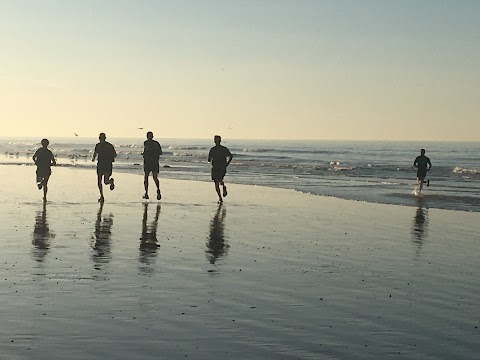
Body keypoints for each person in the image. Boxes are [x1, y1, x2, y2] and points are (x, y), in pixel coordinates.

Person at [92, 133, 117, 203]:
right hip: (106, 165)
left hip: (103, 164)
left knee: (101, 181)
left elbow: (95, 153)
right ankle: (102, 194)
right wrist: (111, 158)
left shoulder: (99, 145)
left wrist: (93, 158)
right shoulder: (109, 145)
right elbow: (115, 154)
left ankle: (102, 194)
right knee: (103, 181)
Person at [208, 135, 233, 203]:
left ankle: (220, 197)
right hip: (223, 167)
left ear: (214, 141)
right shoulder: (224, 149)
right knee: (220, 179)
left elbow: (209, 159)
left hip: (215, 167)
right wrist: (227, 164)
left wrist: (211, 158)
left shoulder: (213, 149)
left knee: (216, 182)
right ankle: (223, 186)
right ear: (220, 140)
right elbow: (231, 156)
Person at [142, 131, 162, 200]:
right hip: (154, 163)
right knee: (155, 177)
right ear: (152, 136)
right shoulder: (156, 143)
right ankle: (158, 189)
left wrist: (145, 155)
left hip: (148, 163)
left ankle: (146, 193)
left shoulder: (146, 143)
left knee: (146, 178)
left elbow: (145, 152)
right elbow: (160, 153)